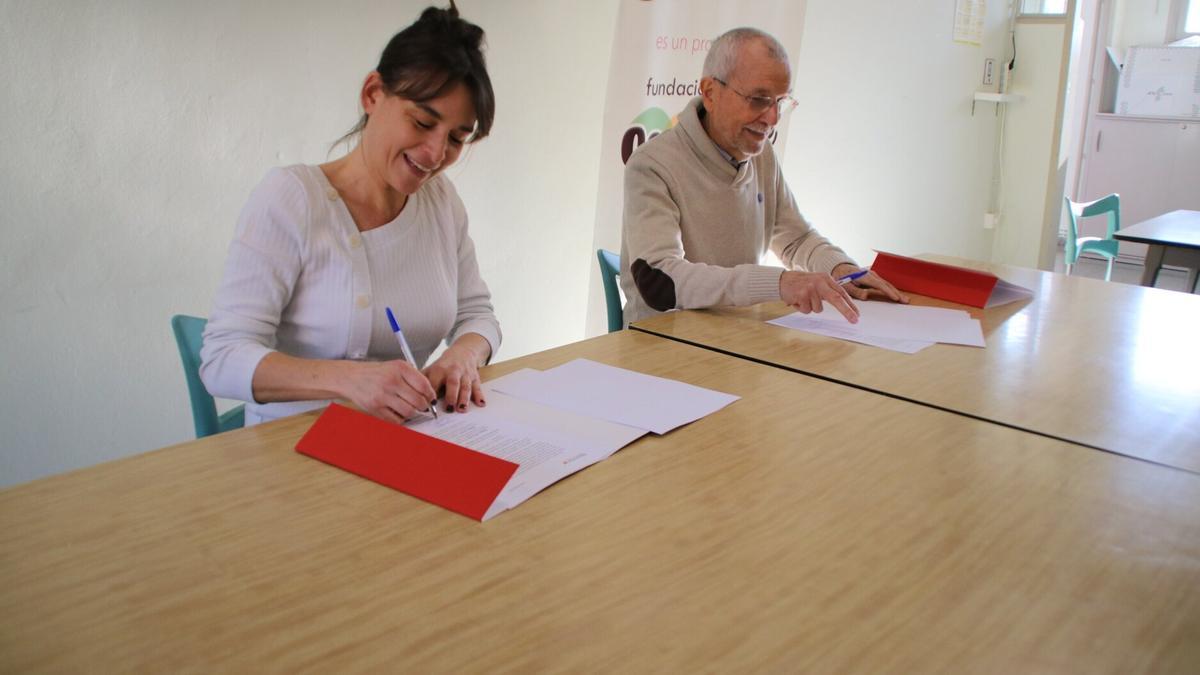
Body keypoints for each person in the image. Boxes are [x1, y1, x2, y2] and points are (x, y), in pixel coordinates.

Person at [201, 3, 500, 426]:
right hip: (291, 447)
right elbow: (221, 357)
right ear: (372, 94)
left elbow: (477, 315)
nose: (436, 154)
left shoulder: (441, 202)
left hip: (404, 438)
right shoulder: (291, 199)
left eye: (456, 138)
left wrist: (463, 355)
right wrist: (350, 380)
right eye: (421, 122)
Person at [620, 27, 908, 326]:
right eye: (758, 99)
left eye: (780, 102)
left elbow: (796, 239)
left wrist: (840, 269)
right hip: (663, 339)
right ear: (710, 93)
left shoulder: (760, 154)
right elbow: (660, 280)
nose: (773, 118)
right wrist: (780, 283)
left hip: (736, 331)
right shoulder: (652, 165)